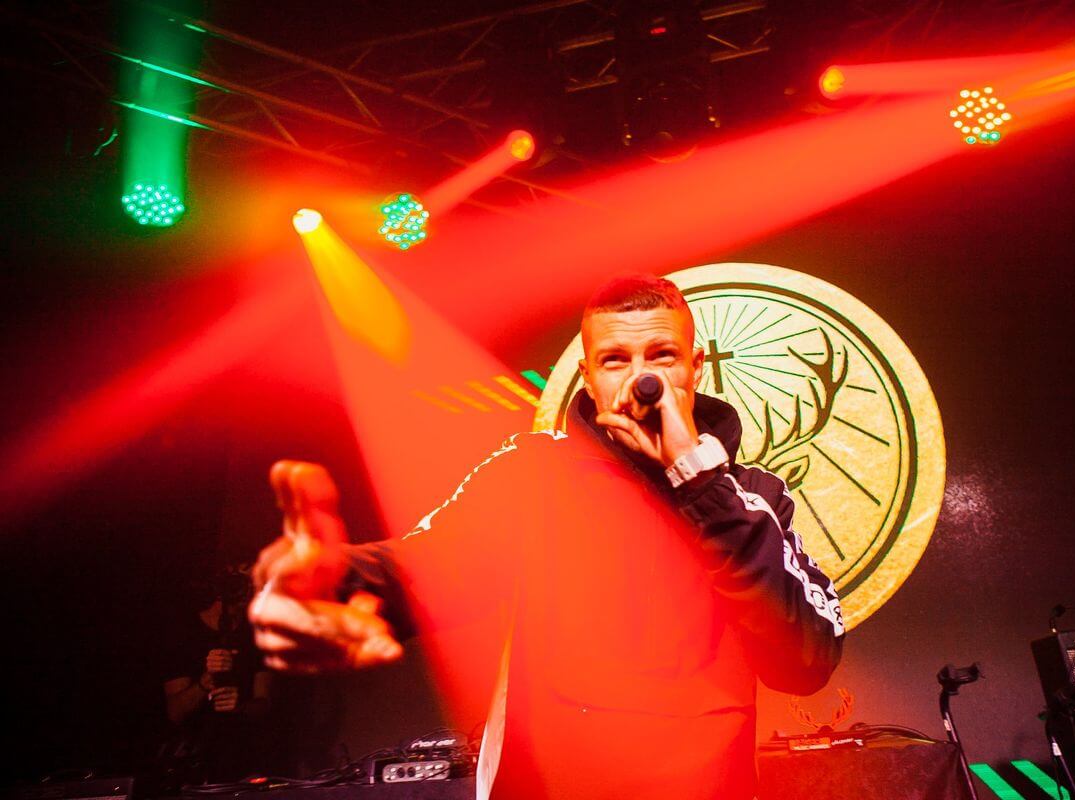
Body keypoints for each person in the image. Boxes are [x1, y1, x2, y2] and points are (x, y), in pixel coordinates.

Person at [250, 275, 845, 799]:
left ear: (696, 366)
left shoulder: (752, 496)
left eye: (661, 355)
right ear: (588, 376)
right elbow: (427, 568)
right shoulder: (534, 473)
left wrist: (700, 482)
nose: (642, 381)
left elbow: (806, 658)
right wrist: (330, 575)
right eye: (615, 360)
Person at [161, 564, 272, 784]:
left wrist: (240, 706)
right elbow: (175, 712)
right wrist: (205, 682)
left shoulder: (256, 636)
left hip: (243, 760)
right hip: (194, 763)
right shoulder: (185, 633)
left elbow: (266, 704)